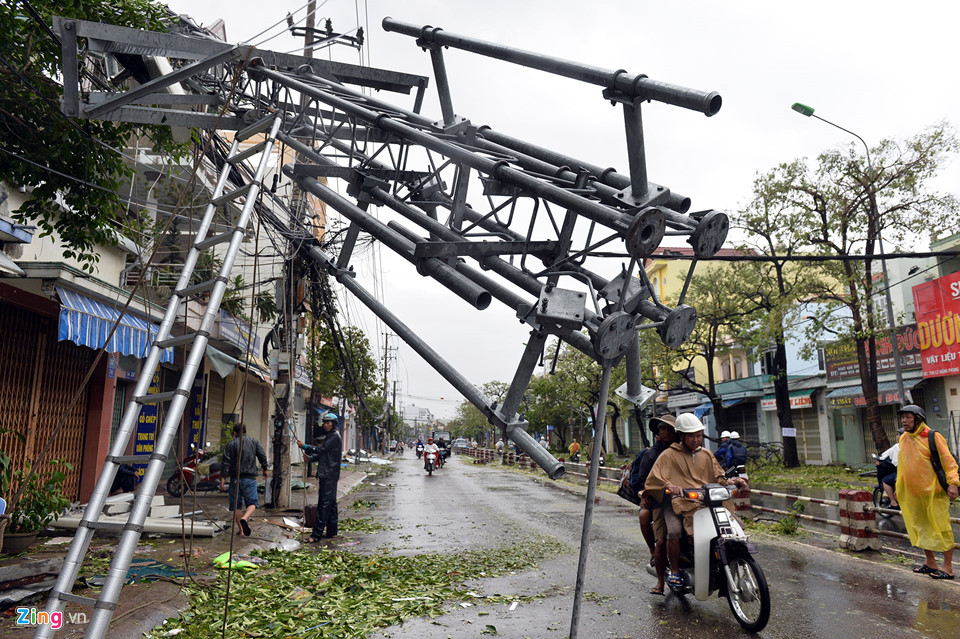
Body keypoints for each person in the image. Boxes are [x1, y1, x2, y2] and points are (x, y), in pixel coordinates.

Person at [643, 413, 747, 590]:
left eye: (698, 435)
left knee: (738, 525)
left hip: (705, 503)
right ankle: (674, 571)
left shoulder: (706, 454)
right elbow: (655, 479)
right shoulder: (668, 455)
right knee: (674, 531)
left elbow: (718, 476)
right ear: (681, 436)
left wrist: (732, 481)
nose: (696, 439)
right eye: (691, 435)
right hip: (677, 504)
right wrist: (669, 485)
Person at [895, 404, 959, 579]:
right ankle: (931, 562)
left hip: (935, 493)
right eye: (903, 417)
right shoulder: (904, 438)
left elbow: (949, 462)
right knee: (921, 527)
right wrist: (898, 487)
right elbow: (903, 466)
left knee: (942, 528)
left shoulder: (932, 436)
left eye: (908, 417)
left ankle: (948, 568)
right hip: (914, 494)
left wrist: (953, 483)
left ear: (918, 419)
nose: (904, 421)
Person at [635, 414, 677, 596]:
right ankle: (660, 581)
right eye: (663, 429)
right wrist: (647, 494)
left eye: (670, 429)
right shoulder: (651, 454)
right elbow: (643, 481)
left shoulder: (683, 451)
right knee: (661, 540)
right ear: (658, 432)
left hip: (684, 500)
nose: (666, 432)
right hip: (660, 501)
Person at [298, 412, 343, 543]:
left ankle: (316, 535)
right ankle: (332, 531)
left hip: (328, 474)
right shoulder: (331, 436)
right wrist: (311, 458)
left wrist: (305, 446)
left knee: (324, 504)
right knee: (332, 504)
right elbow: (325, 454)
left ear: (334, 424)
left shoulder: (334, 436)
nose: (325, 425)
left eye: (328, 423)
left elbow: (322, 450)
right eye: (324, 422)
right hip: (330, 473)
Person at [219, 423, 269, 537]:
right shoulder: (254, 442)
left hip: (235, 479)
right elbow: (262, 455)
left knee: (237, 505)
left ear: (235, 433)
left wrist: (222, 477)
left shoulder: (230, 444)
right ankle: (245, 518)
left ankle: (241, 531)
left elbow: (225, 462)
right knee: (252, 503)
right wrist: (265, 468)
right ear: (246, 431)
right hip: (250, 478)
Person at [876, 434, 902, 509]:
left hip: (902, 473)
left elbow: (896, 463)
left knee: (886, 481)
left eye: (899, 435)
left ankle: (893, 503)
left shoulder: (897, 446)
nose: (897, 436)